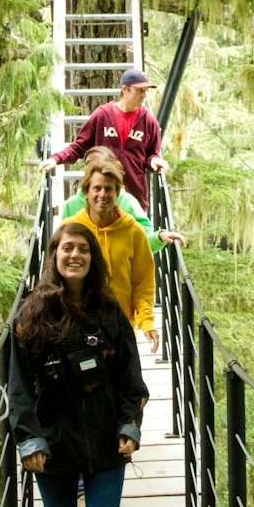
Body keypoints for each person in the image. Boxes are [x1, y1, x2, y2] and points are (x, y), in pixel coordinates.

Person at [8, 221, 148, 507]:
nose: (75, 256)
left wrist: (130, 424)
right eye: (67, 248)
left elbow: (132, 380)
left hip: (107, 446)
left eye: (83, 250)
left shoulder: (108, 312)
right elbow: (19, 388)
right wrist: (29, 440)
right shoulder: (32, 313)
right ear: (53, 255)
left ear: (93, 259)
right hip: (54, 451)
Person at [65, 152, 161, 355]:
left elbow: (143, 282)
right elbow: (54, 276)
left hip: (120, 328)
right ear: (86, 193)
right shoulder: (70, 229)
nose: (102, 195)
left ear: (117, 193)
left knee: (128, 387)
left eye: (109, 189)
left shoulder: (133, 231)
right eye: (96, 189)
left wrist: (147, 321)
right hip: (77, 326)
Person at [42, 67, 167, 210]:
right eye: (140, 90)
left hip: (133, 199)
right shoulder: (102, 115)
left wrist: (154, 160)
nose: (144, 95)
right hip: (101, 198)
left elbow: (151, 155)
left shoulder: (149, 121)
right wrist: (55, 159)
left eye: (145, 91)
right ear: (125, 90)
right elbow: (79, 147)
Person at [61, 146, 188, 252]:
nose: (93, 168)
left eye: (99, 163)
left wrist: (159, 237)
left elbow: (143, 240)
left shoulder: (128, 203)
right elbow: (62, 244)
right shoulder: (72, 205)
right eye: (88, 164)